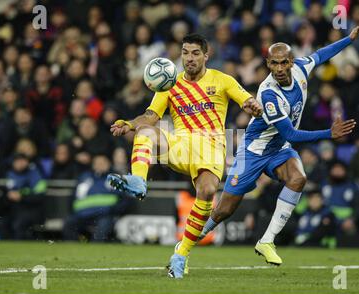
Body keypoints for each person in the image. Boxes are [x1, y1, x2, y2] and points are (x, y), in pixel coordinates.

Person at [198, 26, 359, 266]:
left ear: (291, 62)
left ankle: (266, 241)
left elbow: (321, 54)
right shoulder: (268, 94)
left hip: (278, 149)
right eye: (273, 63)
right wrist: (329, 133)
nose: (278, 69)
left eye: (283, 63)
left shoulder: (301, 68)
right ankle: (195, 236)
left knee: (298, 178)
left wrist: (349, 39)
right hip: (253, 151)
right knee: (224, 210)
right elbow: (291, 133)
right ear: (268, 63)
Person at [107, 33, 263, 278]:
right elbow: (149, 117)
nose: (189, 58)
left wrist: (252, 105)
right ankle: (138, 180)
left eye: (195, 53)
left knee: (208, 192)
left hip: (211, 146)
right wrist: (129, 123)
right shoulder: (169, 84)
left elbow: (246, 99)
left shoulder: (222, 80)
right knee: (147, 131)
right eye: (185, 52)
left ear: (206, 56)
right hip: (180, 143)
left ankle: (181, 254)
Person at [63, 155, 130, 241]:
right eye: (97, 163)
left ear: (109, 164)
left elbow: (124, 199)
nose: (100, 165)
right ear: (93, 165)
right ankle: (73, 250)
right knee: (69, 223)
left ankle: (95, 250)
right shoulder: (84, 178)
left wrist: (113, 210)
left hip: (105, 215)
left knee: (102, 228)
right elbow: (72, 198)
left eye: (102, 163)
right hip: (83, 214)